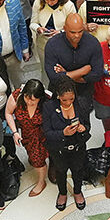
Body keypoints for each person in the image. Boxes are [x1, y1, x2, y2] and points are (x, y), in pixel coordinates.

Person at [44, 80, 93, 211]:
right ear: (58, 95)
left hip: (78, 146)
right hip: (59, 148)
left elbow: (88, 125)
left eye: (71, 98)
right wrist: (62, 133)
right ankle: (62, 193)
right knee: (60, 171)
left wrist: (83, 128)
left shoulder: (81, 104)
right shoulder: (49, 107)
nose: (68, 102)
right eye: (64, 100)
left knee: (78, 170)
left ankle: (77, 191)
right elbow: (47, 132)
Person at [7, 79, 51, 196]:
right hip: (27, 134)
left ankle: (41, 182)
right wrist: (15, 132)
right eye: (27, 98)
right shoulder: (16, 96)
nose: (29, 102)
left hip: (44, 133)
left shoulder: (48, 100)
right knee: (34, 157)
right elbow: (8, 113)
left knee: (40, 159)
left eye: (33, 100)